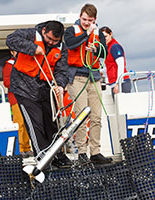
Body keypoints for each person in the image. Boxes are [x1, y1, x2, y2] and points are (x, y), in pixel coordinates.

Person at [6, 20, 72, 168]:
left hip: (45, 90)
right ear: (44, 31)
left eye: (55, 41)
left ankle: (57, 155)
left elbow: (62, 71)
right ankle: (43, 157)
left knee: (52, 124)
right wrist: (33, 48)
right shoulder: (30, 34)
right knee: (36, 125)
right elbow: (11, 40)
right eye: (49, 39)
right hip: (24, 89)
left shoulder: (61, 48)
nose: (51, 43)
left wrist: (60, 86)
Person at [64, 3, 112, 165]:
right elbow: (71, 44)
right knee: (81, 116)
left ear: (95, 20)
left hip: (95, 77)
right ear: (80, 17)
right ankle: (82, 153)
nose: (86, 22)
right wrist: (86, 34)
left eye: (89, 20)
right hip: (77, 78)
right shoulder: (71, 30)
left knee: (97, 117)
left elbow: (103, 52)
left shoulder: (99, 33)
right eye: (84, 19)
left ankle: (96, 152)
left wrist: (95, 50)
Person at [2, 52, 33, 158]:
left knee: (27, 124)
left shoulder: (23, 63)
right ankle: (20, 148)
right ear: (12, 52)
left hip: (26, 97)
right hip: (15, 98)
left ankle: (27, 148)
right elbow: (6, 82)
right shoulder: (9, 65)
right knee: (19, 124)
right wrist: (21, 83)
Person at [100, 26, 131, 100]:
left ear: (111, 34)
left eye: (105, 36)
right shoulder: (108, 48)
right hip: (113, 83)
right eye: (102, 37)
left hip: (121, 83)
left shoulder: (114, 47)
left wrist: (118, 83)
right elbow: (110, 65)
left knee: (122, 108)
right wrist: (100, 71)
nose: (104, 39)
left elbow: (121, 65)